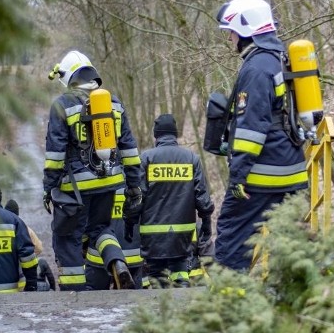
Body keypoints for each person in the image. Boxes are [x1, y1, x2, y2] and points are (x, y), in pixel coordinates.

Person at [213, 0, 309, 270]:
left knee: (231, 236)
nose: (229, 38)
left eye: (231, 32)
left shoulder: (255, 69)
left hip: (263, 174)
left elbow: (252, 129)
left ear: (245, 30)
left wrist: (238, 176)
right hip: (291, 169)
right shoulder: (279, 59)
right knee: (290, 248)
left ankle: (231, 302)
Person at [42, 50, 143, 290]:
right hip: (109, 181)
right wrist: (133, 185)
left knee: (68, 239)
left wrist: (49, 188)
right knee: (100, 230)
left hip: (74, 189)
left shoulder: (62, 105)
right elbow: (129, 149)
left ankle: (74, 294)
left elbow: (55, 154)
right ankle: (117, 262)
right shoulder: (114, 103)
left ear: (68, 77)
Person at [124, 113, 214, 286]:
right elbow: (202, 197)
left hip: (153, 236)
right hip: (183, 236)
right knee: (180, 272)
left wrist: (129, 223)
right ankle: (181, 305)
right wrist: (207, 223)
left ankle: (161, 308)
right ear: (175, 134)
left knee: (157, 277)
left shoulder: (146, 159)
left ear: (156, 135)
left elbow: (136, 198)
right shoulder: (191, 159)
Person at [84, 188, 145, 289]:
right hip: (133, 253)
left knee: (94, 297)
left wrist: (83, 243)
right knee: (133, 300)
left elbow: (86, 221)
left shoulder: (98, 179)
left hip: (100, 255)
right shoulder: (136, 179)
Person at [4, 198, 46, 290]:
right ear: (18, 213)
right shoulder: (25, 228)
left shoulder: (1, 228)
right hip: (23, 271)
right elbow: (39, 248)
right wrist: (28, 257)